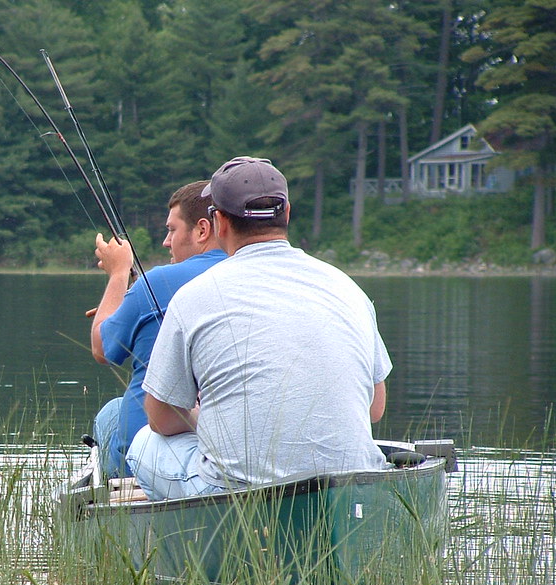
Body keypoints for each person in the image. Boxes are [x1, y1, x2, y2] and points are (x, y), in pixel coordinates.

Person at [127, 156, 391, 500]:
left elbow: (160, 419)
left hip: (238, 495)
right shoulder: (348, 287)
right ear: (287, 213)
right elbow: (375, 407)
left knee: (144, 444)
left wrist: (206, 419)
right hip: (350, 487)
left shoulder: (193, 296)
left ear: (219, 221)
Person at [90, 181, 227, 478]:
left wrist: (118, 275)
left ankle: (111, 488)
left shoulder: (157, 281)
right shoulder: (252, 278)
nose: (166, 241)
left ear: (202, 230)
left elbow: (102, 348)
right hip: (234, 448)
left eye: (172, 229)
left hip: (149, 455)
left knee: (111, 414)